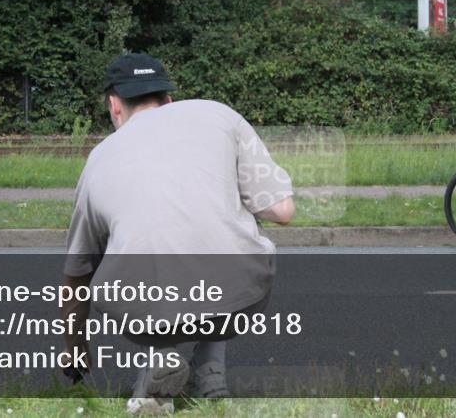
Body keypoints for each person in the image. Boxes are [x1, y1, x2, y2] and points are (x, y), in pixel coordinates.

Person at [61, 52, 295, 415]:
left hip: (143, 316)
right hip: (239, 301)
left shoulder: (99, 158)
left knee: (124, 238)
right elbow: (282, 211)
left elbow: (77, 272)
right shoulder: (219, 115)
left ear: (114, 106)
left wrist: (75, 347)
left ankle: (158, 365)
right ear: (169, 100)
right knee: (233, 216)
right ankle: (211, 373)